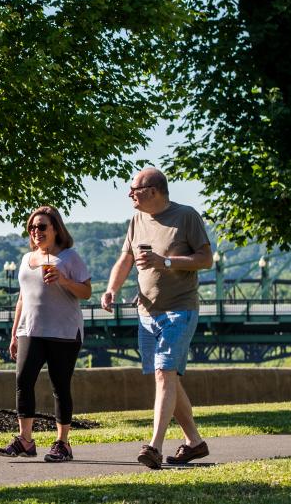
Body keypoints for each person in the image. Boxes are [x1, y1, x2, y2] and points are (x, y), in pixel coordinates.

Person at [100, 167, 213, 469]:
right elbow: (125, 258)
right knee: (168, 378)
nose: (129, 194)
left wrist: (165, 262)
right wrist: (112, 289)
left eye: (134, 188)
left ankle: (154, 447)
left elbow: (205, 259)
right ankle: (194, 442)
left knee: (164, 374)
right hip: (147, 313)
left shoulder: (186, 216)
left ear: (153, 190)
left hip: (180, 309)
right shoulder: (137, 220)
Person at [0, 205, 92, 462]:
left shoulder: (70, 257)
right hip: (31, 330)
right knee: (23, 381)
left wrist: (63, 280)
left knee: (60, 386)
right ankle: (25, 440)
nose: (36, 231)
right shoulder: (27, 260)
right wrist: (15, 333)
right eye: (32, 227)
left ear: (55, 229)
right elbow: (22, 298)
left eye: (42, 227)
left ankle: (62, 443)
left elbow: (86, 292)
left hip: (63, 331)